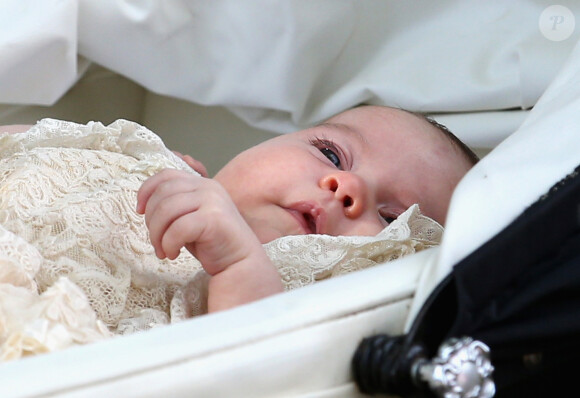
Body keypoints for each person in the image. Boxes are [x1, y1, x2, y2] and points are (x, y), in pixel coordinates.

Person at [135, 105, 478, 312]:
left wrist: (238, 268)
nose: (347, 187)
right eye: (331, 154)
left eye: (392, 220)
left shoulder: (291, 320)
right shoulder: (162, 171)